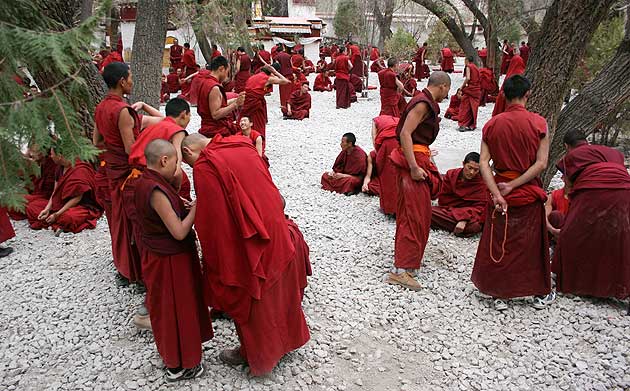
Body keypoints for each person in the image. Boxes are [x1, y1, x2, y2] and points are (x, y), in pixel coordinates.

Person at [181, 133, 310, 376]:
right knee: (280, 289)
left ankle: (258, 357)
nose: (192, 168)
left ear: (188, 153)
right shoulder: (242, 143)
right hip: (275, 225)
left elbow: (215, 222)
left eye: (188, 164)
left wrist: (217, 260)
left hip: (250, 240)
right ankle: (288, 341)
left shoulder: (205, 166)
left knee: (252, 293)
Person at [471, 75, 554, 311]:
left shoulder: (492, 125)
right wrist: (515, 184)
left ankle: (499, 293)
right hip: (526, 189)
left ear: (504, 95)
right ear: (527, 94)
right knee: (529, 244)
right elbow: (541, 163)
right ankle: (537, 294)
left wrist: (497, 192)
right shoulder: (539, 123)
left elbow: (484, 162)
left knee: (500, 241)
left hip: (501, 187)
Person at [133, 139, 212, 382]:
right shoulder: (155, 191)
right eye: (176, 162)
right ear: (164, 160)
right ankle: (181, 366)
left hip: (160, 255)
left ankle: (173, 357)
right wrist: (198, 208)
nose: (178, 167)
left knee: (167, 309)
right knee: (177, 310)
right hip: (169, 260)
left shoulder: (146, 181)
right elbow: (178, 231)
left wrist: (182, 204)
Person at [94, 62, 163, 284]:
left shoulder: (101, 106)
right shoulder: (122, 110)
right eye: (130, 77)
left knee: (118, 219)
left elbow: (96, 141)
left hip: (111, 169)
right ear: (122, 81)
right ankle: (137, 271)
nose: (132, 82)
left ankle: (123, 267)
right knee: (134, 220)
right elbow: (130, 149)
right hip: (125, 171)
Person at [385, 72, 451, 291]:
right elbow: (405, 133)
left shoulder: (424, 101)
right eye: (447, 90)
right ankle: (400, 270)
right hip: (413, 161)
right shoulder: (422, 103)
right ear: (442, 86)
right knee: (413, 215)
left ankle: (409, 263)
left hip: (419, 157)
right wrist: (414, 167)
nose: (447, 95)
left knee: (419, 213)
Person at [553, 130, 630, 300]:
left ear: (566, 146)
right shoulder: (612, 151)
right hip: (624, 190)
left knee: (573, 235)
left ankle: (576, 284)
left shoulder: (572, 156)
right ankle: (618, 286)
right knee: (618, 237)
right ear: (585, 140)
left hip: (593, 189)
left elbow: (569, 185)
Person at [127, 98, 192, 199]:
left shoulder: (155, 124)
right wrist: (175, 195)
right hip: (153, 178)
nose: (190, 118)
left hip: (133, 177)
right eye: (190, 115)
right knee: (184, 183)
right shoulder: (178, 132)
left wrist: (144, 105)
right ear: (184, 114)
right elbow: (176, 171)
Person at [25, 150, 102, 233]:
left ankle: (56, 220)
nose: (50, 157)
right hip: (61, 203)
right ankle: (55, 221)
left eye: (52, 154)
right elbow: (55, 191)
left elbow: (76, 199)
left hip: (80, 205)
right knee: (32, 207)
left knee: (67, 218)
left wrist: (56, 214)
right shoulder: (59, 167)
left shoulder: (80, 169)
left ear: (60, 156)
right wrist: (47, 209)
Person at [431, 152, 487, 236]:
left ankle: (438, 223)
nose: (472, 172)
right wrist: (459, 215)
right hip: (449, 211)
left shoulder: (482, 183)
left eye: (476, 170)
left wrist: (464, 219)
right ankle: (455, 228)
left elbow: (481, 208)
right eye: (469, 168)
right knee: (428, 210)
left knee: (475, 226)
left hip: (468, 215)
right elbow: (443, 201)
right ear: (463, 164)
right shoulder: (451, 175)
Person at [197, 56, 244, 138]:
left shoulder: (204, 82)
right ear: (221, 69)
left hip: (206, 126)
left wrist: (235, 100)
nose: (227, 76)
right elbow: (215, 114)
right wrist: (235, 104)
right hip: (215, 130)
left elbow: (216, 104)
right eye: (227, 72)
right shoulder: (214, 88)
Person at [239, 64, 289, 136]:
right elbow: (286, 81)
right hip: (256, 103)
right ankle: (257, 138)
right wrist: (275, 72)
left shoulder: (252, 77)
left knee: (245, 120)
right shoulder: (267, 78)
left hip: (247, 102)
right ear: (271, 73)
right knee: (258, 123)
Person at [371, 115, 400, 215]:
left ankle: (388, 207)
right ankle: (400, 208)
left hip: (386, 145)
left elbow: (374, 138)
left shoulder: (375, 120)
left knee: (385, 176)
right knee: (398, 175)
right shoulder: (398, 120)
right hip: (400, 143)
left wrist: (377, 150)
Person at [457, 56, 481, 132]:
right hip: (476, 89)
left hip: (470, 89)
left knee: (465, 106)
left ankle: (463, 124)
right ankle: (471, 124)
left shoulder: (468, 66)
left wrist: (462, 87)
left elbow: (468, 78)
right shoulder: (476, 67)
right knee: (473, 107)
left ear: (467, 60)